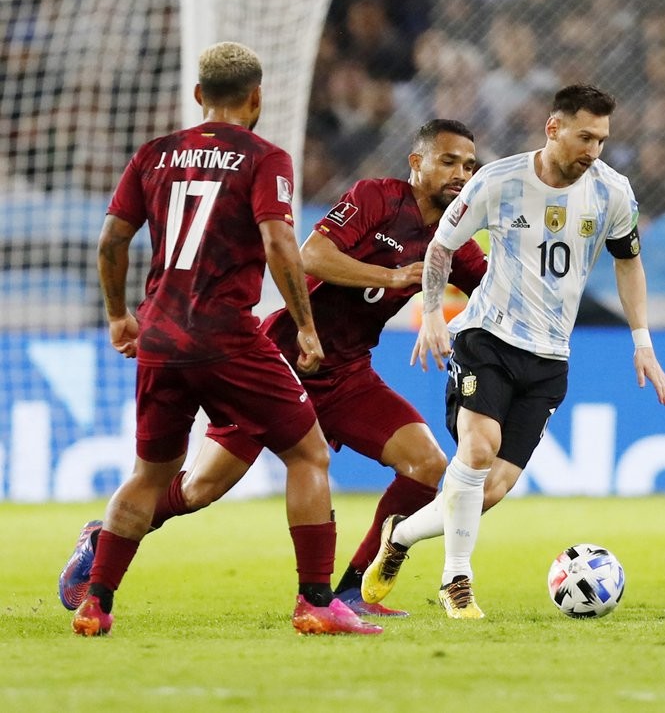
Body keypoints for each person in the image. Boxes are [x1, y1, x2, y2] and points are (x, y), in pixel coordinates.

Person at [59, 118, 487, 619]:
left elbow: (492, 286)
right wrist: (393, 275)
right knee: (199, 489)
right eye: (449, 161)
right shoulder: (376, 197)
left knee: (428, 466)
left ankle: (351, 591)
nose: (461, 174)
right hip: (279, 361)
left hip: (346, 374)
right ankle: (103, 536)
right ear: (417, 163)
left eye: (469, 166)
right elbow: (312, 256)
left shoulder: (453, 238)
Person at [70, 42, 380, 637]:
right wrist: (306, 328)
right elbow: (279, 243)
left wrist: (118, 317)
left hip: (159, 336)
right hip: (227, 336)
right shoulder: (266, 158)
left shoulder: (154, 154)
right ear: (257, 96)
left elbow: (111, 241)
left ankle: (97, 601)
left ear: (198, 96)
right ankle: (316, 602)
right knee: (308, 454)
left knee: (150, 476)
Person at [361, 83, 665, 619]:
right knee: (478, 450)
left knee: (488, 491)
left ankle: (403, 534)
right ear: (553, 129)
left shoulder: (612, 193)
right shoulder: (499, 180)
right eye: (583, 137)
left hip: (551, 356)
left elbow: (629, 263)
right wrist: (434, 312)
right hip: (487, 337)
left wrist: (642, 342)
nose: (592, 151)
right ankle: (456, 581)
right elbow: (442, 246)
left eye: (601, 140)